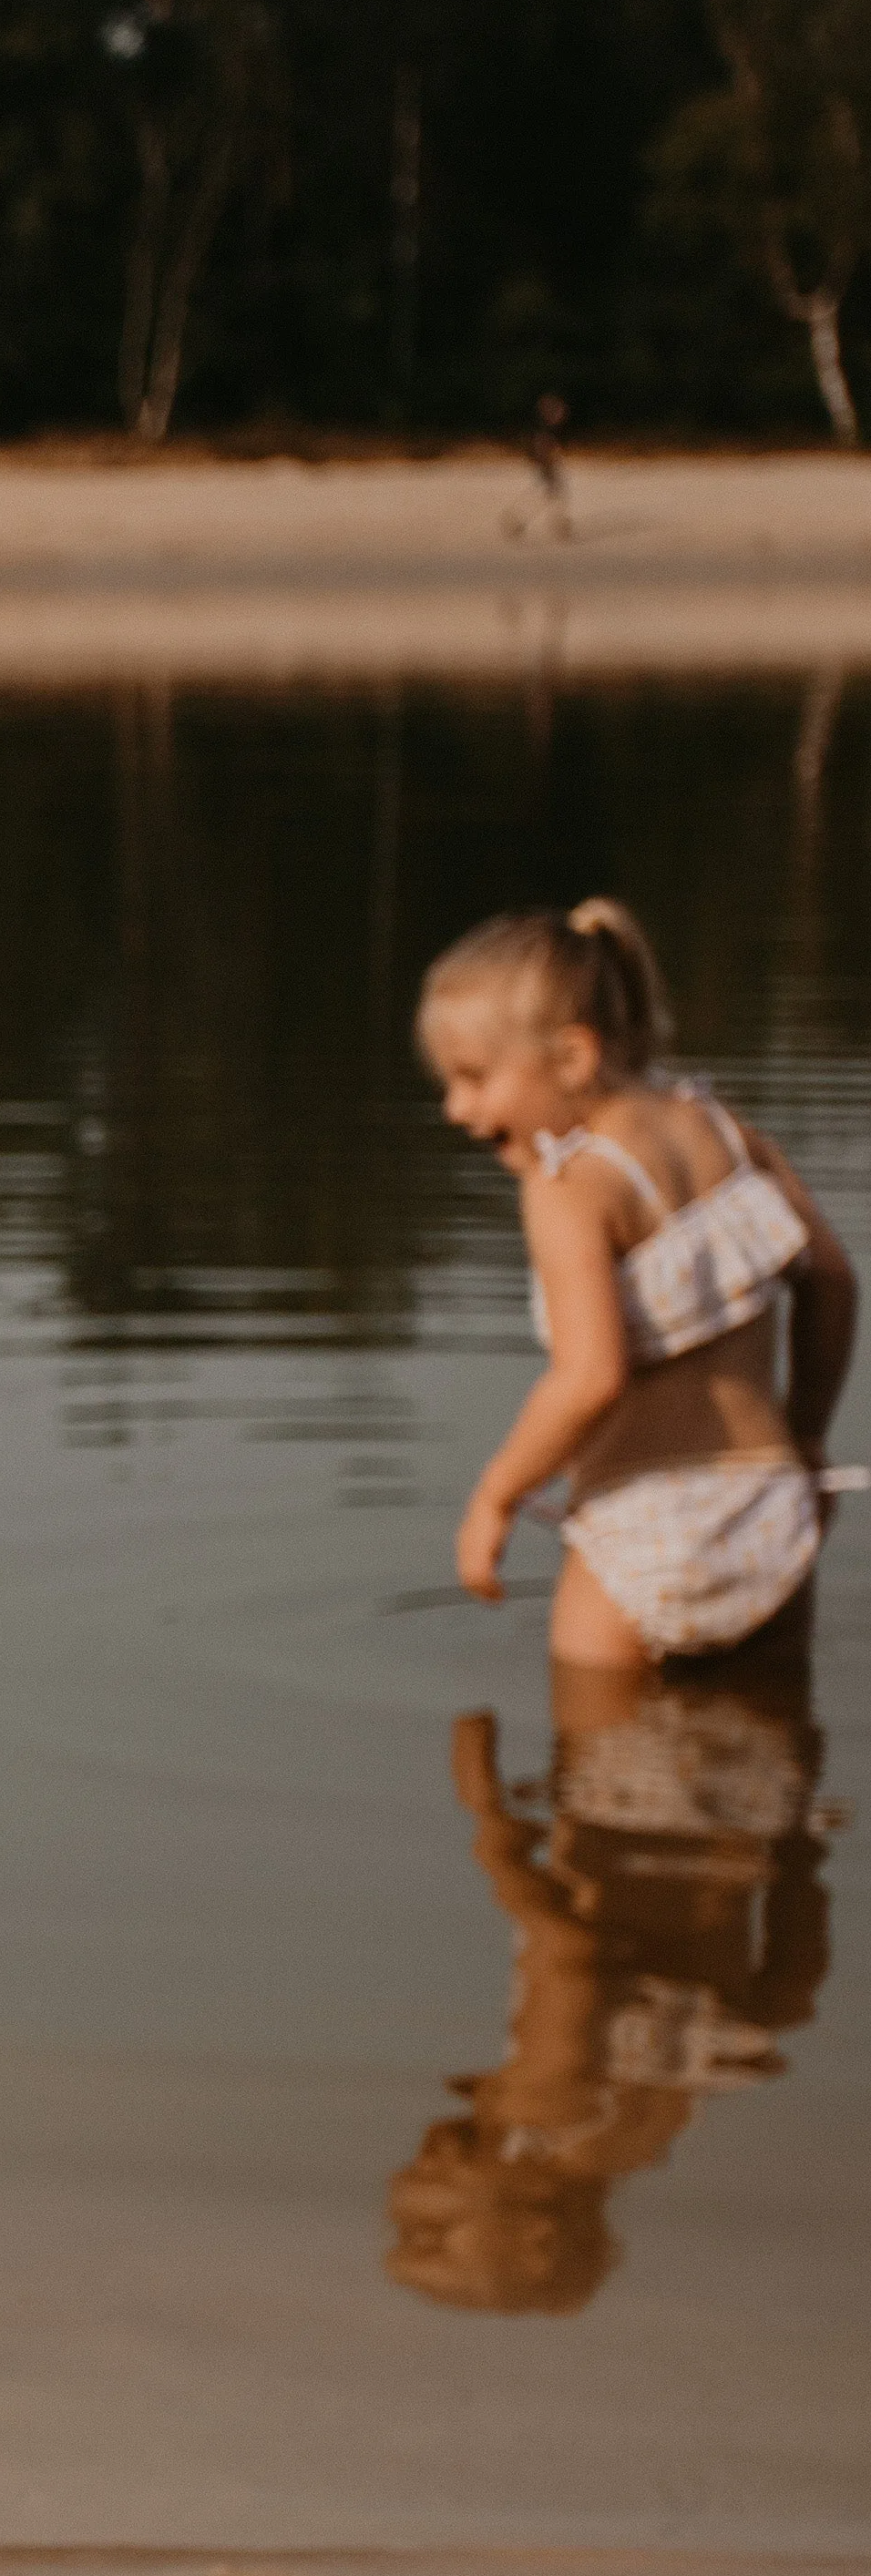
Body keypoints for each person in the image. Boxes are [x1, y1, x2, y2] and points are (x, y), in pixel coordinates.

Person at [417, 895, 856, 1667]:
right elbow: (830, 1279)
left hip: (644, 1531)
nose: (455, 1108)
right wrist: (810, 1433)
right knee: (772, 1758)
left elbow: (590, 1378)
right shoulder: (721, 1129)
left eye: (473, 1077)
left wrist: (495, 1494)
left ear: (571, 1060)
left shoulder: (568, 1185)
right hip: (771, 1511)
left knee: (591, 1771)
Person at [383, 1664, 835, 2315]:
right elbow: (570, 1956)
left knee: (746, 1659)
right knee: (607, 1644)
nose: (403, 2195)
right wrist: (491, 1833)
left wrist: (798, 1857)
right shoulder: (542, 2113)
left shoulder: (649, 2131)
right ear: (537, 2231)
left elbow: (789, 2000)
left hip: (749, 1796)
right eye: (430, 2233)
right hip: (629, 1789)